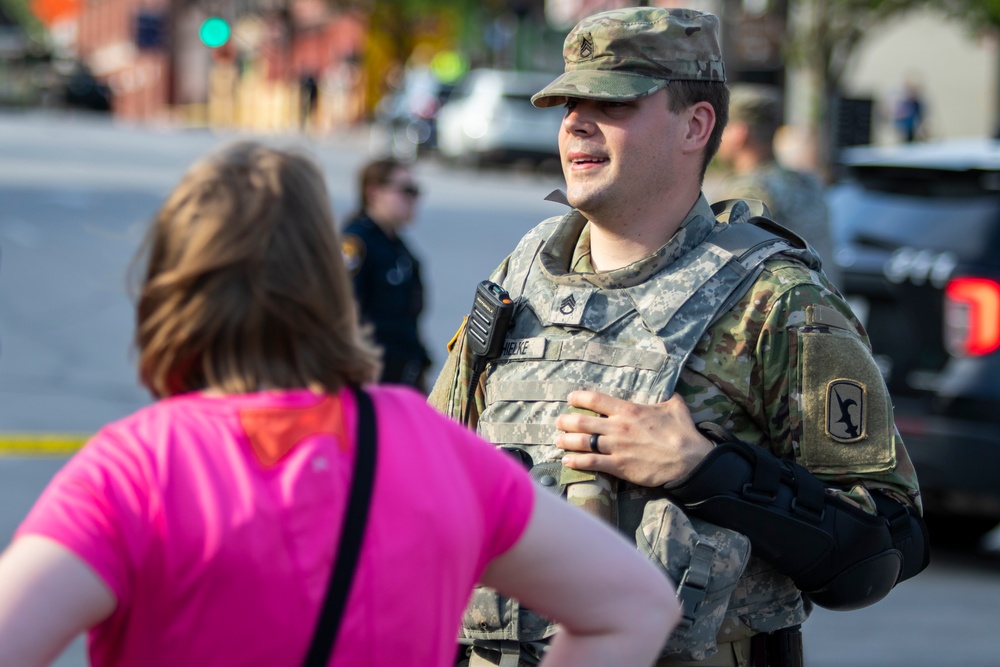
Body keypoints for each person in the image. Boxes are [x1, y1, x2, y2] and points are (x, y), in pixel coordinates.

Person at [0, 141, 681, 667]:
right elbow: (635, 604)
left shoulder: (139, 467)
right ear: (326, 286)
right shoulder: (432, 447)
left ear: (168, 292)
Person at [430, 7, 929, 667]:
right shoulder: (518, 280)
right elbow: (428, 484)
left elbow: (886, 546)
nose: (577, 121)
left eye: (612, 103)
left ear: (696, 125)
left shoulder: (778, 303)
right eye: (568, 102)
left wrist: (707, 470)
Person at [712, 83, 840, 286]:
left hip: (782, 309)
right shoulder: (806, 181)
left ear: (739, 133)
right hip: (822, 305)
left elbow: (726, 266)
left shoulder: (749, 192)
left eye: (721, 127)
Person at [341, 157, 431, 392]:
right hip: (371, 381)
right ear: (373, 193)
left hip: (402, 377)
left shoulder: (398, 246)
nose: (414, 199)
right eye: (406, 190)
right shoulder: (356, 244)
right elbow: (343, 314)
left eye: (416, 191)